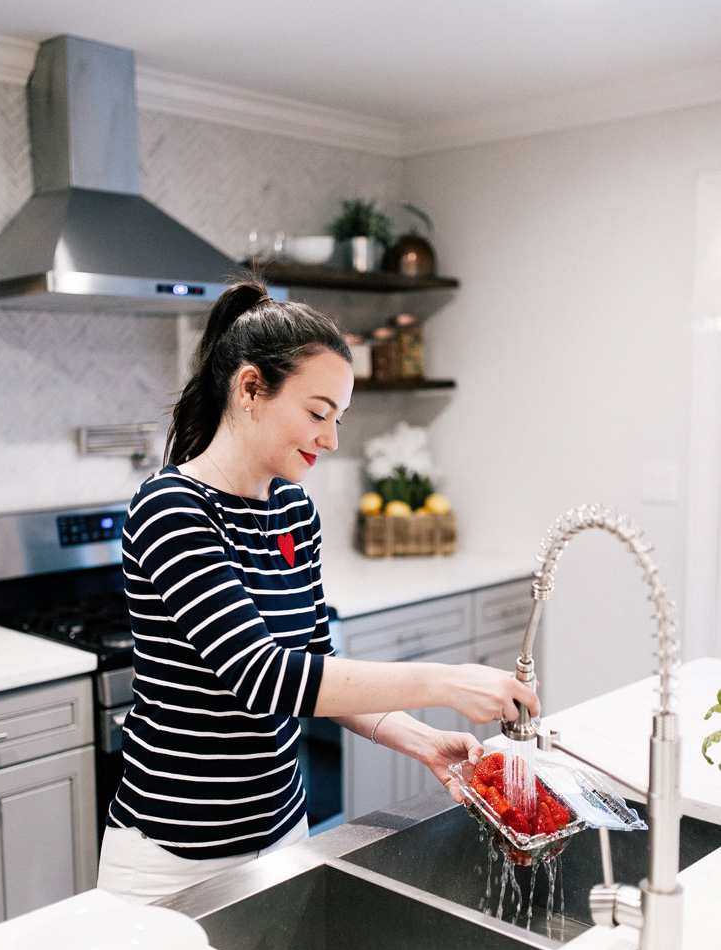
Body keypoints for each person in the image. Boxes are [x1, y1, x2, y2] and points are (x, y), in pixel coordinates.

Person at [97, 280, 540, 903]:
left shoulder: (293, 512)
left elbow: (318, 672)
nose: (331, 439)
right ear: (250, 388)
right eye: (317, 413)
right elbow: (265, 677)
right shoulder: (171, 507)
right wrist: (449, 683)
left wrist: (418, 738)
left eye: (339, 417)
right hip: (169, 858)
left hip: (282, 834)